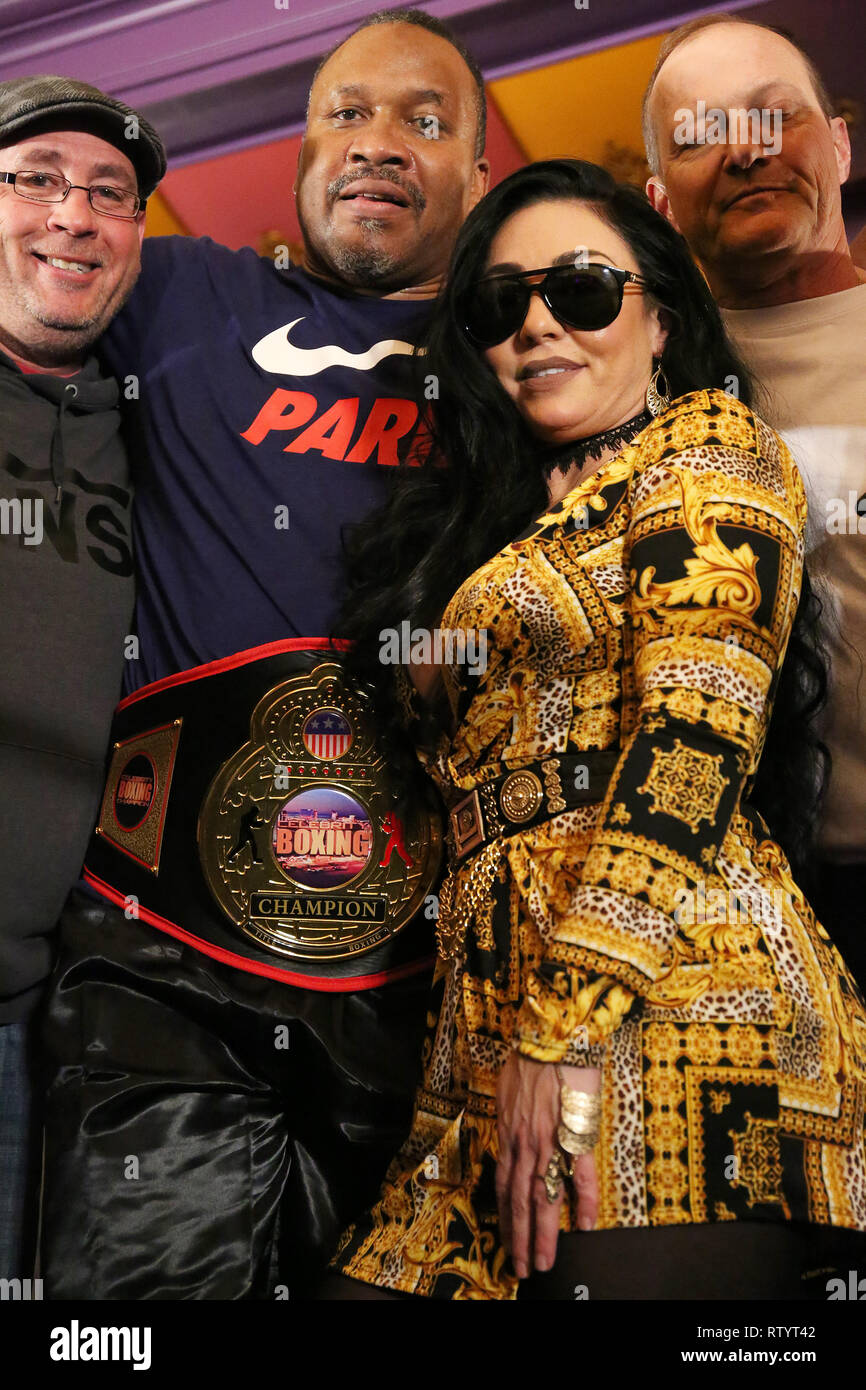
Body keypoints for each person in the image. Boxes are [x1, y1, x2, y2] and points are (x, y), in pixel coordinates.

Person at [322, 159, 866, 1301]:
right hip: (488, 1014)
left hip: (671, 1013)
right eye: (497, 304)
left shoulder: (705, 453)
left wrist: (562, 1026)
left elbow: (691, 743)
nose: (533, 325)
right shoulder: (511, 515)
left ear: (660, 316)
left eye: (577, 290)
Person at [40, 9, 490, 1299]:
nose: (379, 144)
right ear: (300, 152)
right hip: (160, 972)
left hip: (434, 990)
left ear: (476, 172)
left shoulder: (527, 353)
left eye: (423, 119)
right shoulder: (181, 293)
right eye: (346, 113)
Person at [642, 14, 866, 989]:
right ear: (655, 202)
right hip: (742, 934)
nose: (745, 151)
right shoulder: (630, 406)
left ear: (841, 142)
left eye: (776, 116)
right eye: (698, 135)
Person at [0, 76, 165, 1287]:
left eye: (111, 194)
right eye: (36, 179)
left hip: (32, 1020)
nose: (74, 214)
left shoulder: (150, 424)